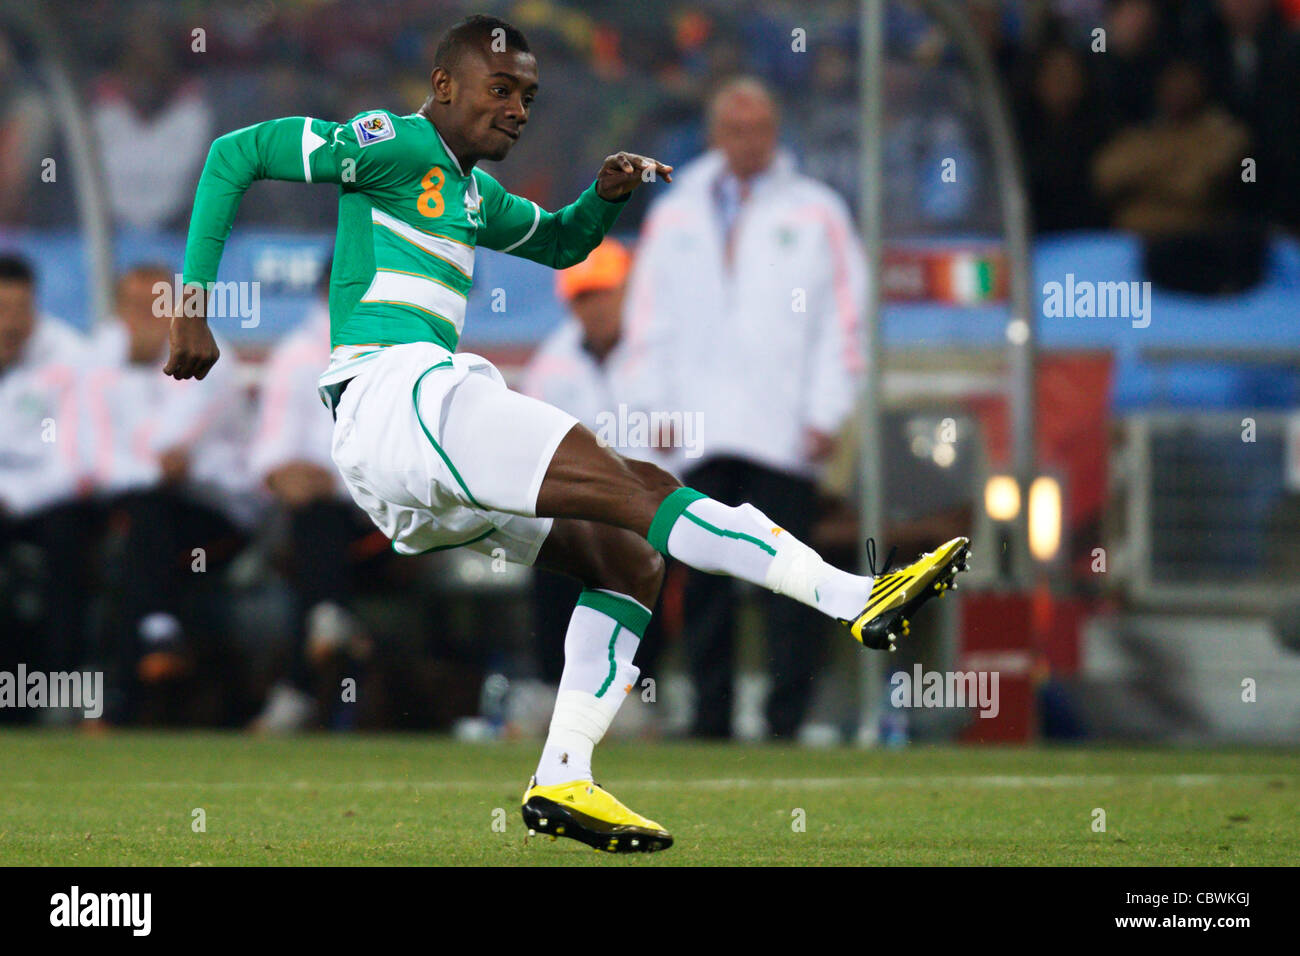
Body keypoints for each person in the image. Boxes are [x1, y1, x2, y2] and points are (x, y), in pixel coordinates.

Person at [164, 14, 969, 854]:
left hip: (400, 460)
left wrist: (604, 198)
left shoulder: (474, 194)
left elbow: (557, 245)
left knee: (628, 555)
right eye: (499, 89)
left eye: (527, 97)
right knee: (639, 490)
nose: (516, 109)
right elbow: (235, 154)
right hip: (394, 391)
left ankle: (564, 775)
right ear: (443, 87)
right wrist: (191, 306)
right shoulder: (392, 144)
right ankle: (850, 595)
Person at [616, 77, 868, 740]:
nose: (747, 141)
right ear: (713, 134)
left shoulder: (818, 213)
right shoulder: (677, 212)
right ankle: (709, 718)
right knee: (703, 584)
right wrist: (653, 408)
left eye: (759, 128)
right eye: (735, 128)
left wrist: (827, 410)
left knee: (789, 581)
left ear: (776, 131)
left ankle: (787, 720)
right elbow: (649, 320)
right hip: (697, 433)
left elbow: (846, 321)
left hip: (783, 430)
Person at [247, 266, 379, 732]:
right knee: (315, 522)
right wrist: (286, 477)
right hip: (326, 520)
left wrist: (335, 480)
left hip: (392, 523)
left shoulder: (408, 350)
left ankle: (299, 690)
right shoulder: (297, 356)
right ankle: (332, 625)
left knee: (316, 527)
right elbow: (270, 454)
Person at [0, 253, 92, 697]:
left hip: (51, 502)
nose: (10, 325)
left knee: (68, 541)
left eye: (19, 311)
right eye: (0, 311)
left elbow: (76, 461)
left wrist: (11, 499)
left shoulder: (71, 358)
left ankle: (60, 687)